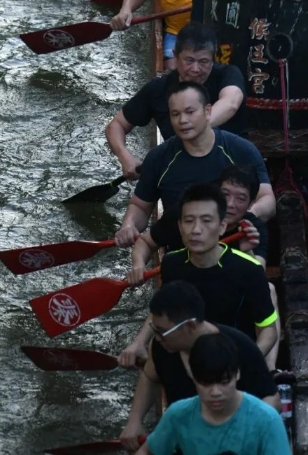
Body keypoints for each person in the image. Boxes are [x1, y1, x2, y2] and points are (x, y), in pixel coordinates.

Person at [119, 282, 279, 450]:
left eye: (162, 331)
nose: (157, 337)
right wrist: (134, 421)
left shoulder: (240, 347)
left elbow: (272, 401)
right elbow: (149, 376)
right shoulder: (162, 347)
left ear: (190, 326)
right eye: (155, 330)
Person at [115, 82, 275, 245]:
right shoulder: (158, 157)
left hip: (234, 248)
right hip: (182, 253)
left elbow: (267, 200)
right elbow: (141, 206)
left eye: (190, 112)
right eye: (175, 114)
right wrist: (128, 226)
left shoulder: (242, 150)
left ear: (207, 111)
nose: (183, 120)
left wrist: (246, 216)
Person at [107, 23, 247, 181]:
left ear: (212, 59)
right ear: (175, 56)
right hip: (182, 170)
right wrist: (125, 158)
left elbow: (231, 103)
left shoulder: (228, 74)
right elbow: (116, 125)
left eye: (203, 62)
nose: (195, 69)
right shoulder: (158, 89)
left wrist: (194, 128)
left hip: (232, 171)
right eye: (189, 60)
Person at [160, 185, 278, 351]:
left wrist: (249, 361)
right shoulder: (171, 263)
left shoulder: (249, 269)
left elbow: (268, 329)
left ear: (222, 226)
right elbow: (164, 313)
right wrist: (139, 343)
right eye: (188, 221)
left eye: (206, 221)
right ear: (180, 226)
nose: (196, 230)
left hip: (234, 353)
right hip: (188, 351)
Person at [141, 332, 290, 455]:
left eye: (224, 382)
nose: (215, 393)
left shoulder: (267, 420)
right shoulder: (177, 415)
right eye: (206, 384)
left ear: (237, 374)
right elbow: (149, 451)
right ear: (193, 377)